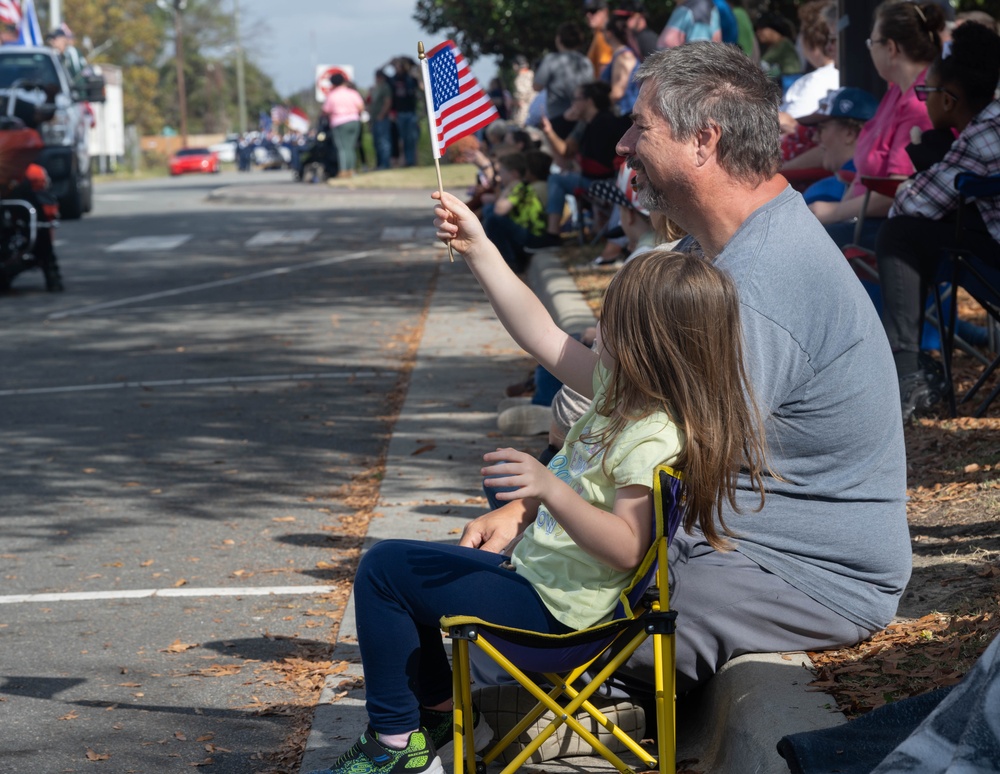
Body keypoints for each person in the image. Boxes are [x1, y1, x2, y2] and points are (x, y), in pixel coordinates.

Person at [459, 42, 910, 715]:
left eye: (642, 126)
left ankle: (525, 702)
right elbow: (624, 396)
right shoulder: (715, 251)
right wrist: (530, 508)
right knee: (519, 596)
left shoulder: (758, 284)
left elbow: (669, 459)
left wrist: (541, 512)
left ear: (705, 140)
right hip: (735, 540)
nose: (624, 144)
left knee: (549, 635)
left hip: (805, 573)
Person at [306, 187, 772, 774]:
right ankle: (441, 717)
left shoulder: (652, 433)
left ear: (653, 345)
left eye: (611, 323)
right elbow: (537, 330)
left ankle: (398, 745)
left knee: (385, 572)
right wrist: (478, 247)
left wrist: (549, 489)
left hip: (561, 617)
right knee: (399, 573)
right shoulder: (622, 392)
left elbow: (629, 547)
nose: (595, 332)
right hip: (543, 583)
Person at [875, 20, 1000, 421]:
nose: (923, 101)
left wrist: (924, 154)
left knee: (900, 234)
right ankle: (911, 366)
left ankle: (907, 368)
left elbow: (912, 204)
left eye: (927, 92)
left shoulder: (981, 136)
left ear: (949, 99)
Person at [809, 0, 946, 249]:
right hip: (867, 219)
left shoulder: (920, 102)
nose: (869, 49)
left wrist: (834, 212)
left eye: (872, 42)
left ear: (891, 48)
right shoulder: (897, 92)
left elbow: (899, 190)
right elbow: (867, 172)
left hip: (893, 232)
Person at [536, 81, 629, 247]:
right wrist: (550, 131)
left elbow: (603, 166)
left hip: (605, 183)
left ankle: (552, 234)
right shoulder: (585, 123)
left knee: (557, 179)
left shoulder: (604, 122)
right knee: (559, 177)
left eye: (576, 99)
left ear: (589, 101)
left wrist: (576, 166)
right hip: (593, 179)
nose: (573, 104)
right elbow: (566, 151)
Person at [796, 87, 880, 205]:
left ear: (850, 133)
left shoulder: (825, 193)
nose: (815, 138)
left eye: (821, 129)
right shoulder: (881, 182)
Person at [533, 22, 594, 140]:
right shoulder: (586, 62)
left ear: (559, 39)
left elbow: (537, 86)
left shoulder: (551, 60)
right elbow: (590, 88)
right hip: (581, 116)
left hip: (557, 116)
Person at [322, 73, 366, 178]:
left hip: (339, 122)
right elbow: (361, 107)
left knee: (342, 148)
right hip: (354, 121)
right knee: (351, 147)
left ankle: (344, 171)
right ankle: (352, 169)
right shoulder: (353, 93)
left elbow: (325, 111)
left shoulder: (332, 95)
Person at [600, 13, 640, 117]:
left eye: (602, 31)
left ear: (609, 34)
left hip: (625, 114)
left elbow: (617, 93)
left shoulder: (623, 57)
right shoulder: (620, 55)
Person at [390, 57, 422, 167]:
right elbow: (379, 71)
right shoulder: (394, 79)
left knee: (412, 139)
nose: (398, 68)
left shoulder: (411, 79)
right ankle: (405, 161)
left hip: (411, 112)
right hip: (400, 113)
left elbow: (421, 86)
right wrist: (390, 62)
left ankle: (412, 161)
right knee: (402, 139)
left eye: (400, 66)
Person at [756, 12, 803, 81]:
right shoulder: (779, 44)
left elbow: (765, 60)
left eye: (761, 29)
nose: (758, 33)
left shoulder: (783, 44)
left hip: (791, 79)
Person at [369, 70, 393, 170]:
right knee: (376, 143)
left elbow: (388, 101)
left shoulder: (385, 87)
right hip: (374, 119)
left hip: (382, 119)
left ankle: (385, 164)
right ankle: (379, 164)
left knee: (384, 142)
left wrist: (382, 114)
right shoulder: (375, 88)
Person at [583, 0, 613, 78]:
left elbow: (604, 74)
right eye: (586, 11)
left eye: (593, 11)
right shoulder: (599, 35)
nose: (588, 15)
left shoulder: (603, 37)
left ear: (605, 12)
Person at [509, 55, 535, 126]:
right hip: (532, 109)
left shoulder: (521, 77)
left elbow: (521, 97)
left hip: (523, 112)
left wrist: (513, 102)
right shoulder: (532, 74)